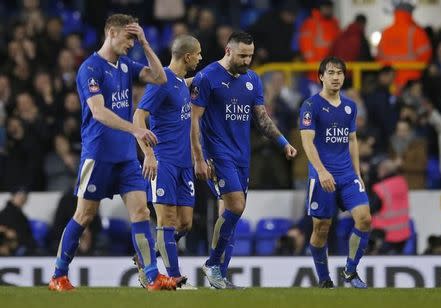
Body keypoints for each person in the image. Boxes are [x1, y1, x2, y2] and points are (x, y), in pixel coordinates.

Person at [48, 14, 177, 292]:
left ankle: (152, 277)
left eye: (134, 39)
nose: (131, 44)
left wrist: (145, 41)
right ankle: (58, 274)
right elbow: (98, 111)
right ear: (111, 33)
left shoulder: (126, 65)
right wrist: (135, 130)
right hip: (98, 155)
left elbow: (160, 77)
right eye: (129, 38)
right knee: (84, 215)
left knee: (142, 212)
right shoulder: (90, 68)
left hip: (126, 157)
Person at [190, 31, 297, 289]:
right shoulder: (207, 77)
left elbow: (261, 119)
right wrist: (200, 157)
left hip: (241, 156)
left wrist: (283, 143)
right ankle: (213, 263)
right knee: (236, 206)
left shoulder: (253, 80)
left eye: (250, 55)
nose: (247, 60)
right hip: (218, 154)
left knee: (232, 214)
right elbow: (194, 120)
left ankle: (220, 276)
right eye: (242, 55)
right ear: (228, 50)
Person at [133, 35, 202, 290]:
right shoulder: (160, 81)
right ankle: (174, 278)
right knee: (167, 221)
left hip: (184, 164)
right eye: (198, 54)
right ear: (187, 56)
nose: (200, 58)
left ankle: (145, 258)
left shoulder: (177, 82)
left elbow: (181, 84)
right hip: (164, 162)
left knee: (185, 223)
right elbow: (138, 118)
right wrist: (149, 154)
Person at [299, 56, 371, 288]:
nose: (336, 77)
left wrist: (357, 172)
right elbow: (307, 143)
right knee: (321, 229)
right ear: (321, 77)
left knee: (365, 219)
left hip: (347, 176)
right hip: (322, 177)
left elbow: (352, 140)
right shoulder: (311, 106)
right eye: (331, 72)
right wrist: (321, 172)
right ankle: (324, 279)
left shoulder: (350, 106)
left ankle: (349, 271)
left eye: (339, 73)